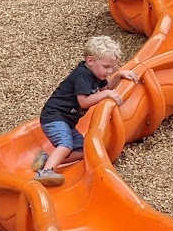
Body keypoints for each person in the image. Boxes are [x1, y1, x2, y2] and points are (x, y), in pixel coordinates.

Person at [34, 34, 138, 186]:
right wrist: (106, 94)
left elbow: (106, 88)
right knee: (65, 144)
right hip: (54, 117)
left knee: (83, 150)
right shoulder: (82, 75)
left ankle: (46, 159)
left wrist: (119, 75)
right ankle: (45, 172)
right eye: (106, 67)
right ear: (90, 61)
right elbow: (83, 102)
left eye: (113, 67)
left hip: (67, 121)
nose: (110, 71)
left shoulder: (97, 74)